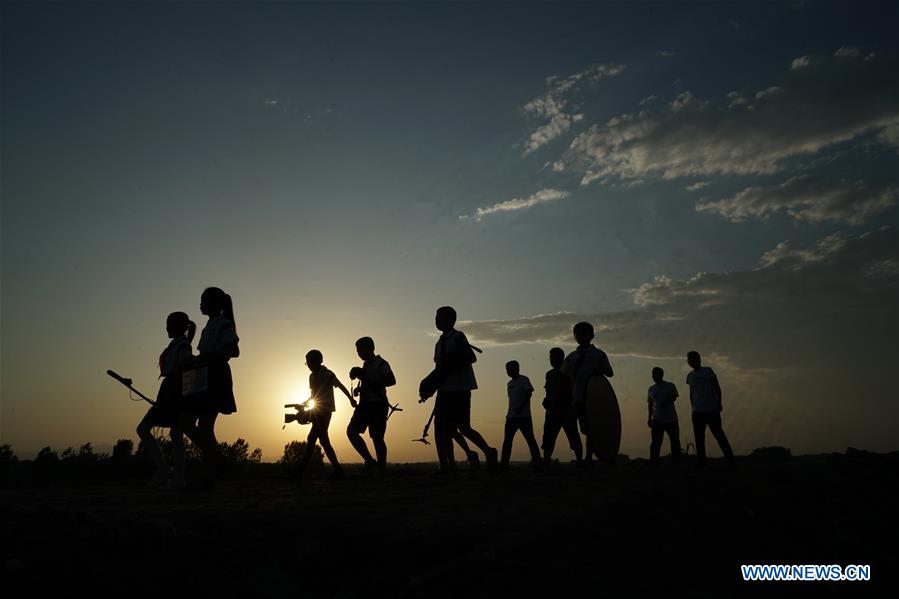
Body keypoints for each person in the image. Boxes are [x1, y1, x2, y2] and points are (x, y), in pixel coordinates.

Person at [421, 306, 498, 473]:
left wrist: (452, 363)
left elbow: (471, 357)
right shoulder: (439, 343)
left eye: (440, 317)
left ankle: (488, 451)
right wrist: (430, 384)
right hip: (444, 391)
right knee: (441, 429)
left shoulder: (458, 337)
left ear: (451, 320)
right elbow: (439, 369)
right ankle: (446, 465)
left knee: (463, 428)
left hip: (460, 389)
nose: (437, 320)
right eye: (436, 317)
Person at [182, 287, 240, 487]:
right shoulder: (209, 326)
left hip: (215, 375)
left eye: (204, 301)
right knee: (188, 423)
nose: (200, 304)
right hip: (202, 374)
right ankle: (217, 462)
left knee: (204, 426)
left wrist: (204, 359)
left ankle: (211, 473)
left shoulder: (224, 324)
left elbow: (233, 350)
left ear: (215, 304)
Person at [136, 311, 195, 488]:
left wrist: (181, 397)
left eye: (169, 324)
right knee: (171, 433)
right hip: (169, 390)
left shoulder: (182, 345)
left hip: (174, 393)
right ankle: (170, 473)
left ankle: (173, 475)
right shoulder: (178, 344)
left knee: (167, 432)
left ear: (177, 326)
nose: (166, 328)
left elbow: (186, 368)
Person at [560, 321, 614, 466]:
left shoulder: (598, 354)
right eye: (578, 334)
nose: (581, 337)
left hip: (594, 397)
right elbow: (563, 375)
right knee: (582, 428)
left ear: (591, 335)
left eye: (584, 334)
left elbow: (609, 372)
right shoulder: (571, 357)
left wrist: (597, 371)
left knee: (592, 427)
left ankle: (589, 457)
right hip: (576, 397)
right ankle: (582, 457)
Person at [297, 349, 355, 480]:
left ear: (318, 361)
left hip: (326, 411)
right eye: (307, 363)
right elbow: (314, 396)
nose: (308, 365)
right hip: (316, 410)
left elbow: (340, 386)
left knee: (314, 438)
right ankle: (337, 470)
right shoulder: (311, 377)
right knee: (320, 439)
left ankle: (301, 471)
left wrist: (350, 399)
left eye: (309, 362)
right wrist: (304, 404)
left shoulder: (328, 374)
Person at [346, 337, 395, 476]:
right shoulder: (366, 365)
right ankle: (370, 461)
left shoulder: (381, 364)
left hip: (378, 404)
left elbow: (391, 380)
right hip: (364, 405)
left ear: (370, 348)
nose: (359, 353)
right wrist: (359, 388)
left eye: (361, 350)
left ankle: (381, 471)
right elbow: (368, 382)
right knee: (351, 432)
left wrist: (368, 381)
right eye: (357, 350)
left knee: (377, 438)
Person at [685, 351, 735, 467]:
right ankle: (702, 463)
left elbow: (717, 388)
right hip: (697, 412)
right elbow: (691, 393)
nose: (690, 361)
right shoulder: (690, 376)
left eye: (691, 358)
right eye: (688, 359)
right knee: (699, 439)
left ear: (698, 359)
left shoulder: (708, 371)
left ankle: (731, 461)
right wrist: (693, 407)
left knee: (719, 435)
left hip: (711, 410)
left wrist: (719, 403)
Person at [541, 347, 583, 466]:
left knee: (573, 436)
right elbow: (548, 391)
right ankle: (546, 461)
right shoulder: (549, 374)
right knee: (548, 437)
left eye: (554, 357)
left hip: (567, 410)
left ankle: (580, 461)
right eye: (550, 358)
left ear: (561, 358)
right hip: (552, 411)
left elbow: (574, 390)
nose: (552, 360)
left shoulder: (570, 373)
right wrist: (546, 400)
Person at [500, 361, 542, 470]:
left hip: (524, 417)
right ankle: (504, 464)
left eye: (510, 369)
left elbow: (529, 393)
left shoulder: (524, 379)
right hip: (511, 417)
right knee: (507, 441)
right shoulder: (509, 384)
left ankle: (537, 462)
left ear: (517, 368)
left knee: (530, 440)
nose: (508, 371)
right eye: (507, 369)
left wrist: (521, 406)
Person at [647, 366, 681, 466]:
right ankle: (654, 462)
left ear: (661, 375)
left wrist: (666, 402)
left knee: (674, 441)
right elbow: (650, 404)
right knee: (656, 443)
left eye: (656, 374)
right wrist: (649, 418)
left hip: (671, 419)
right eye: (653, 375)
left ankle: (676, 461)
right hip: (657, 420)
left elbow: (674, 397)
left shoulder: (670, 386)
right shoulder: (651, 389)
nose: (654, 377)